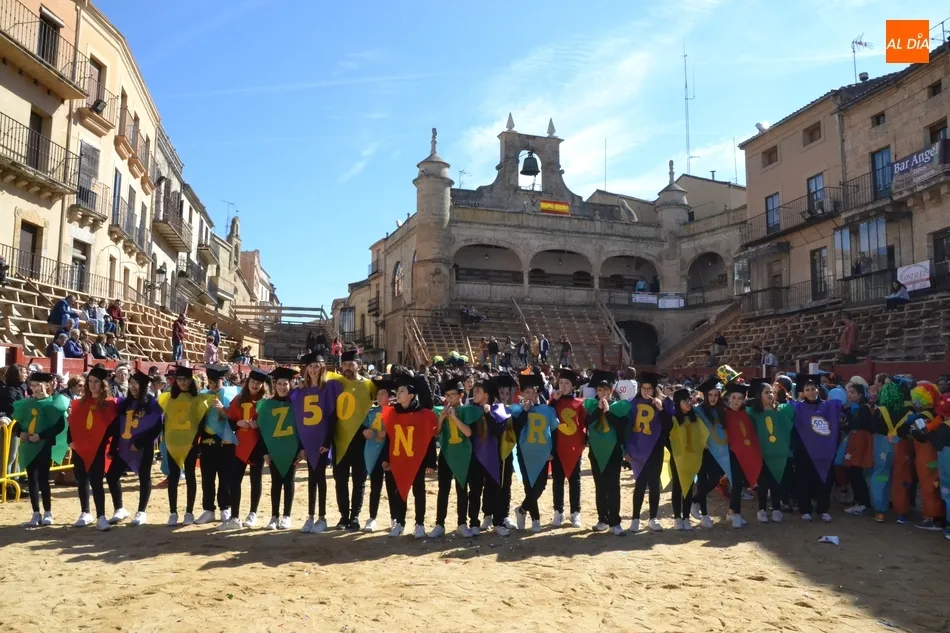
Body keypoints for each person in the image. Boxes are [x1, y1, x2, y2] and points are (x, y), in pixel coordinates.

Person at [9, 371, 70, 527]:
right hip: (28, 445)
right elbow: (17, 423)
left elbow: (59, 426)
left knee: (43, 479)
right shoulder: (27, 403)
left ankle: (48, 512)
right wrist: (20, 433)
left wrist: (41, 436)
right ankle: (36, 513)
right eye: (33, 385)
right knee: (32, 480)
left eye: (38, 385)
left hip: (43, 446)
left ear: (47, 386)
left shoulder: (53, 403)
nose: (35, 388)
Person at [291, 353, 343, 534]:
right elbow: (298, 420)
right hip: (307, 441)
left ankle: (322, 517)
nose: (313, 369)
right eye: (310, 366)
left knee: (320, 479)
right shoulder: (301, 391)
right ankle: (310, 516)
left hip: (322, 441)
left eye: (316, 365)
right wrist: (301, 446)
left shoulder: (329, 388)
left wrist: (327, 442)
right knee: (311, 480)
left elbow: (332, 416)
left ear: (322, 367)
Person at [382, 373, 437, 537]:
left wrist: (431, 463)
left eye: (401, 391)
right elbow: (389, 438)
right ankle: (400, 522)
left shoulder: (423, 414)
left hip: (417, 459)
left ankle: (419, 524)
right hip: (399, 458)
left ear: (411, 395)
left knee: (419, 491)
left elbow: (430, 439)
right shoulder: (392, 414)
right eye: (397, 391)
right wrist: (386, 458)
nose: (397, 394)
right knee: (399, 490)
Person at [159, 366, 214, 526]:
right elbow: (165, 423)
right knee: (174, 477)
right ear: (175, 381)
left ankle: (189, 512)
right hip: (173, 444)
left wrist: (193, 442)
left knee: (190, 476)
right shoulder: (168, 398)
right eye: (180, 379)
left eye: (186, 379)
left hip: (190, 445)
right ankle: (173, 512)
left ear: (191, 380)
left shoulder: (197, 399)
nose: (182, 382)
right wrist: (168, 441)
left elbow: (200, 423)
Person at [327, 349, 376, 530]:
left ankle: (355, 516)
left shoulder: (369, 385)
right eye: (345, 364)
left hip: (361, 439)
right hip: (339, 438)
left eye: (351, 364)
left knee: (359, 480)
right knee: (340, 480)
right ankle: (343, 517)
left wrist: (367, 428)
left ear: (359, 365)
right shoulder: (335, 383)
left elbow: (378, 409)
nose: (347, 367)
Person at [107, 370, 164, 526]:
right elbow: (118, 427)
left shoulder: (152, 404)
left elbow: (156, 428)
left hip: (143, 447)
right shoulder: (125, 404)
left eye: (135, 384)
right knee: (112, 475)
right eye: (130, 384)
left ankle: (141, 512)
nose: (132, 387)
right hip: (124, 446)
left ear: (144, 385)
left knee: (144, 478)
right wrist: (113, 448)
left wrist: (139, 443)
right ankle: (119, 509)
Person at [67, 366, 120, 531]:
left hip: (98, 448)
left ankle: (101, 516)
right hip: (79, 448)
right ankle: (85, 512)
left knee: (97, 482)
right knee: (82, 479)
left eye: (96, 382)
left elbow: (114, 429)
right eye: (90, 381)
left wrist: (111, 448)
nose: (92, 385)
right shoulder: (80, 403)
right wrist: (70, 442)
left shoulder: (110, 404)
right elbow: (72, 425)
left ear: (103, 384)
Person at [220, 367, 271, 530]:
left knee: (256, 480)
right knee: (235, 481)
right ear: (248, 382)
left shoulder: (266, 401)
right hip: (240, 444)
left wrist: (261, 425)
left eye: (259, 383)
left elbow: (272, 425)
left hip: (257, 445)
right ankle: (235, 517)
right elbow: (230, 420)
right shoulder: (239, 399)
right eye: (253, 382)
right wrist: (237, 423)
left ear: (263, 385)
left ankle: (253, 513)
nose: (255, 385)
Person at [256, 366, 304, 530]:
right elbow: (263, 430)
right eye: (279, 384)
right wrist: (265, 452)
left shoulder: (297, 404)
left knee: (289, 482)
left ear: (290, 385)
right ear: (275, 386)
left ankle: (286, 516)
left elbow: (303, 429)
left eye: (285, 384)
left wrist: (301, 449)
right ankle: (274, 516)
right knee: (276, 483)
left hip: (291, 449)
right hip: (274, 448)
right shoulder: (267, 405)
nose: (283, 387)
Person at [582, 370, 629, 535]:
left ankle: (615, 522)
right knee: (600, 487)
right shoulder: (590, 407)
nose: (603, 393)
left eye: (606, 390)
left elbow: (622, 428)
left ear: (611, 391)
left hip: (614, 452)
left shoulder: (620, 407)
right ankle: (602, 519)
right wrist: (598, 411)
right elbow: (587, 424)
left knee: (613, 487)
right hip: (596, 452)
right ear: (596, 392)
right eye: (600, 390)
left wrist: (608, 412)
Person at [430, 375, 478, 538]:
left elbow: (468, 432)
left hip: (464, 455)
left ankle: (461, 523)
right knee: (443, 489)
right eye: (447, 396)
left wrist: (454, 417)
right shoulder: (440, 411)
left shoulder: (468, 410)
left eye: (453, 395)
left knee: (462, 490)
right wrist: (442, 418)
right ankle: (439, 524)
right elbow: (436, 434)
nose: (450, 398)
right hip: (446, 453)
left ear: (461, 395)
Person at [626, 372, 673, 532]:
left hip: (656, 448)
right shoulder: (633, 403)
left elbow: (669, 426)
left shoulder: (664, 403)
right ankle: (635, 519)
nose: (646, 391)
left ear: (655, 389)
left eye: (649, 388)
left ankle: (653, 518)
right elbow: (627, 427)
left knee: (654, 485)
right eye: (644, 388)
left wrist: (661, 410)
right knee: (639, 484)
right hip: (638, 449)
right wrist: (626, 449)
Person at [195, 365, 240, 527]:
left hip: (227, 439)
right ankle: (208, 509)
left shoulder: (232, 393)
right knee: (207, 476)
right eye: (210, 382)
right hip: (208, 439)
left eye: (215, 382)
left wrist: (224, 410)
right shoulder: (202, 395)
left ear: (222, 380)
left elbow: (236, 415)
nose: (212, 385)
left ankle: (225, 507)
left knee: (225, 476)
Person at [549, 368, 586, 528]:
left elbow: (584, 424)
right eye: (561, 382)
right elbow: (547, 418)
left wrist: (583, 443)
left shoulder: (580, 403)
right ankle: (558, 511)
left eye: (567, 383)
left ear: (573, 386)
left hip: (573, 446)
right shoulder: (553, 401)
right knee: (557, 480)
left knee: (574, 480)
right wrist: (554, 401)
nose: (563, 386)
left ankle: (575, 513)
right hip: (557, 446)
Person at [668, 387, 709, 531]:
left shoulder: (695, 419)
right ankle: (677, 518)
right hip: (678, 458)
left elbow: (702, 435)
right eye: (684, 400)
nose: (688, 402)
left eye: (689, 399)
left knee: (689, 487)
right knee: (678, 487)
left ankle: (686, 517)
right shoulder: (673, 419)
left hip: (692, 457)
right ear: (678, 403)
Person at [360, 375, 393, 532]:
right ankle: (372, 518)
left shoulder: (395, 411)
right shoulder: (371, 412)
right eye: (378, 394)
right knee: (375, 487)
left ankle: (395, 518)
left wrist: (387, 431)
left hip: (390, 452)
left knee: (392, 487)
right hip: (373, 451)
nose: (379, 397)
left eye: (382, 394)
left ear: (389, 396)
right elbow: (361, 425)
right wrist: (364, 431)